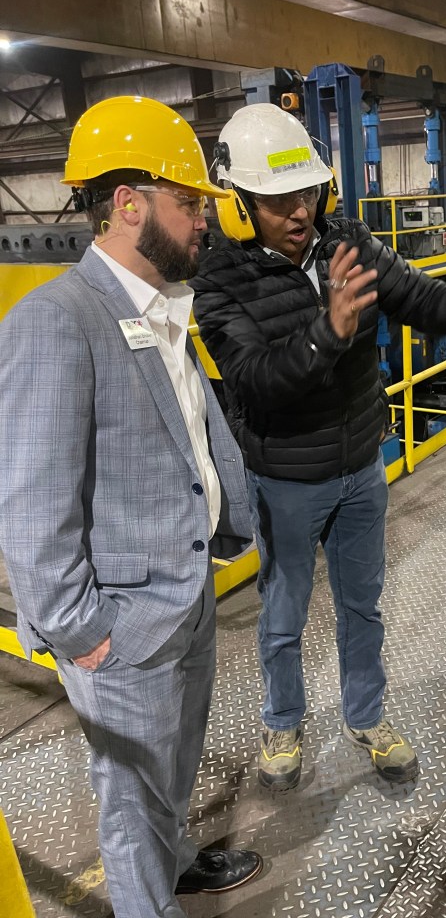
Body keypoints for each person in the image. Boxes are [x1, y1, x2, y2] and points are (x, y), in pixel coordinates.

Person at [191, 103, 446, 792]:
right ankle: (282, 723)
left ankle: (366, 717)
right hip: (286, 480)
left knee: (363, 608)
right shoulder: (219, 282)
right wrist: (330, 331)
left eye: (308, 193)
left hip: (361, 470)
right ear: (238, 205)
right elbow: (256, 381)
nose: (300, 211)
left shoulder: (348, 242)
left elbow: (420, 299)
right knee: (283, 616)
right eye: (278, 200)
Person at [0, 96, 263, 918]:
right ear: (128, 205)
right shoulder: (57, 321)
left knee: (171, 768)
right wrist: (83, 633)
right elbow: (30, 504)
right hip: (121, 626)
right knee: (130, 799)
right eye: (189, 203)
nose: (204, 222)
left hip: (184, 594)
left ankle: (175, 861)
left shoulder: (161, 308)